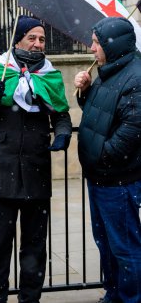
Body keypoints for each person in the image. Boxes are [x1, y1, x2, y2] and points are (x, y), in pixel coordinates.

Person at [0, 15, 72, 303]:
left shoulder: (50, 76)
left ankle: (30, 299)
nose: (38, 44)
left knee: (35, 249)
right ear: (18, 39)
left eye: (42, 39)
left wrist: (63, 135)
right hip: (2, 174)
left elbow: (62, 114)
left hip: (37, 172)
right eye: (32, 38)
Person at [74, 16, 141, 303]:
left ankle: (131, 298)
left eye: (96, 43)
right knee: (107, 243)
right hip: (100, 178)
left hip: (117, 180)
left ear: (113, 45)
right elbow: (100, 114)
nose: (91, 49)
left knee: (125, 247)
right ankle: (114, 293)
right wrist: (86, 91)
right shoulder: (110, 71)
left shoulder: (135, 77)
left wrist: (100, 157)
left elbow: (132, 130)